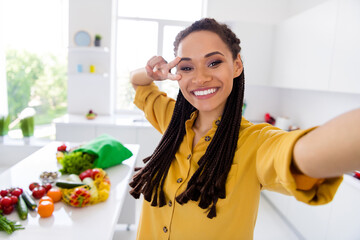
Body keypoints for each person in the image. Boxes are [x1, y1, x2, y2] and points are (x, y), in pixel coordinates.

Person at [129, 18, 360, 239]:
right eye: (187, 67)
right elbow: (138, 82)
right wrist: (151, 73)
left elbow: (302, 153)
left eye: (214, 62)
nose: (200, 78)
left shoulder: (256, 142)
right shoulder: (172, 120)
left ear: (237, 65)